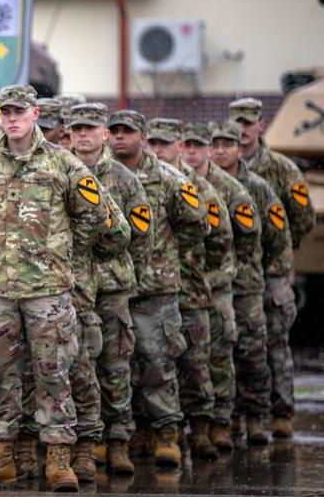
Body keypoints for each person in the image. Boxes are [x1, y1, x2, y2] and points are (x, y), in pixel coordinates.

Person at [0, 85, 107, 492]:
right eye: (5, 112)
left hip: (47, 291)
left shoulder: (63, 164)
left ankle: (59, 459)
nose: (12, 119)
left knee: (53, 373)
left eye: (19, 111)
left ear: (35, 114)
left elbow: (96, 217)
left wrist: (62, 256)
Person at [108, 110, 208, 468]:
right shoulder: (98, 175)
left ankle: (167, 432)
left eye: (127, 132)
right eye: (114, 131)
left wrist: (164, 253)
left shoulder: (169, 178)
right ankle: (133, 430)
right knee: (119, 365)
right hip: (115, 286)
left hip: (155, 287)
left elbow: (198, 225)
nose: (120, 137)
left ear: (142, 137)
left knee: (157, 362)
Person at [66, 103, 151, 476]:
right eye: (77, 129)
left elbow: (141, 236)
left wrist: (127, 276)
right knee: (76, 366)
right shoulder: (59, 170)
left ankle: (117, 442)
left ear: (104, 133)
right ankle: (84, 442)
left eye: (91, 128)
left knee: (115, 368)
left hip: (112, 288)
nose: (83, 135)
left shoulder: (124, 179)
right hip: (72, 287)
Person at [148, 118, 232, 460]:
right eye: (153, 144)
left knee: (198, 363)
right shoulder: (144, 182)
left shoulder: (197, 187)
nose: (158, 151)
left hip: (192, 289)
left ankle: (202, 428)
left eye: (164, 145)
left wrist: (198, 270)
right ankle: (152, 431)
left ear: (179, 146)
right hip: (153, 288)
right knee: (155, 360)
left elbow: (220, 238)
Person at [231, 98, 313, 438]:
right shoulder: (225, 166)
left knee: (276, 345)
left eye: (249, 123)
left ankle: (281, 413)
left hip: (274, 272)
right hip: (239, 272)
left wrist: (280, 254)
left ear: (260, 125)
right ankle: (238, 413)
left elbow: (302, 217)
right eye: (237, 123)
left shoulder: (281, 168)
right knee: (240, 346)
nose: (243, 130)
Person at [209, 119, 290, 446]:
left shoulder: (256, 187)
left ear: (238, 148)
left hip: (246, 283)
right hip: (212, 282)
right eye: (214, 145)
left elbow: (276, 233)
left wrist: (262, 268)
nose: (220, 151)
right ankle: (225, 418)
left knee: (253, 350)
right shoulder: (201, 183)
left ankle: (256, 417)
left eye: (226, 145)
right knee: (217, 351)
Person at [183, 121, 261, 453]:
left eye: (201, 147)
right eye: (190, 146)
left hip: (216, 283)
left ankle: (220, 421)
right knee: (188, 357)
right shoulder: (179, 183)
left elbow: (245, 237)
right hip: (183, 283)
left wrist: (222, 272)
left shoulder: (228, 189)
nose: (195, 152)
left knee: (220, 353)